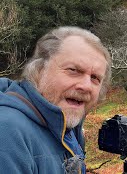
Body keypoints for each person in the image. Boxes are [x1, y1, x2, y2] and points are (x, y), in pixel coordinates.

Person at [0, 26, 111, 173]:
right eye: (73, 70)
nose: (86, 86)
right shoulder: (8, 132)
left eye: (95, 78)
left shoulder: (67, 126)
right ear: (39, 70)